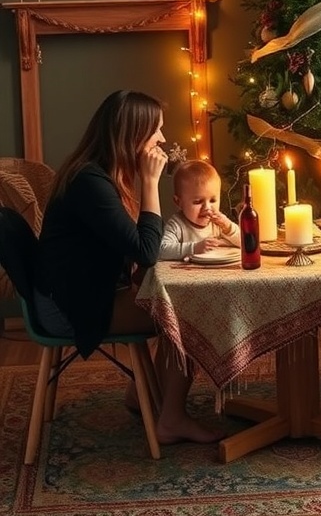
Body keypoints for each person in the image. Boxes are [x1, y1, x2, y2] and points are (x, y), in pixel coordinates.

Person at [34, 89, 223, 445]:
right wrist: (151, 183)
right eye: (156, 131)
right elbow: (146, 251)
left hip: (76, 292)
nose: (163, 140)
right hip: (66, 307)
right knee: (187, 313)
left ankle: (141, 394)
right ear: (133, 135)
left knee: (174, 303)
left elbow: (132, 249)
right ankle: (171, 419)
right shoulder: (90, 183)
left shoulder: (101, 174)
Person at [159, 159, 240, 260]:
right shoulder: (177, 225)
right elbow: (161, 251)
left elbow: (246, 244)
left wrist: (228, 228)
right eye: (198, 202)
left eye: (213, 200)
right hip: (187, 273)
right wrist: (194, 247)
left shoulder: (219, 223)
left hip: (218, 272)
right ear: (178, 202)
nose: (207, 207)